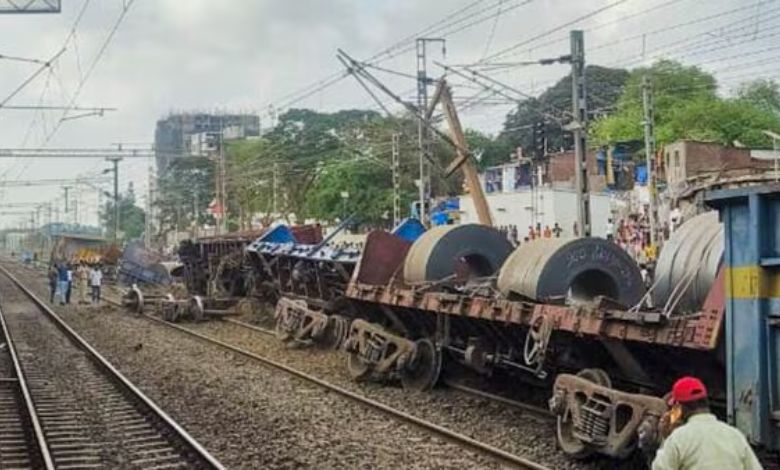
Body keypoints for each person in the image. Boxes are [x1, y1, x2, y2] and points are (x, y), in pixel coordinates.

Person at [651, 376, 762, 470]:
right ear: (706, 402)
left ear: (679, 408)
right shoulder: (735, 435)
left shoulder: (678, 438)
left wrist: (665, 439)